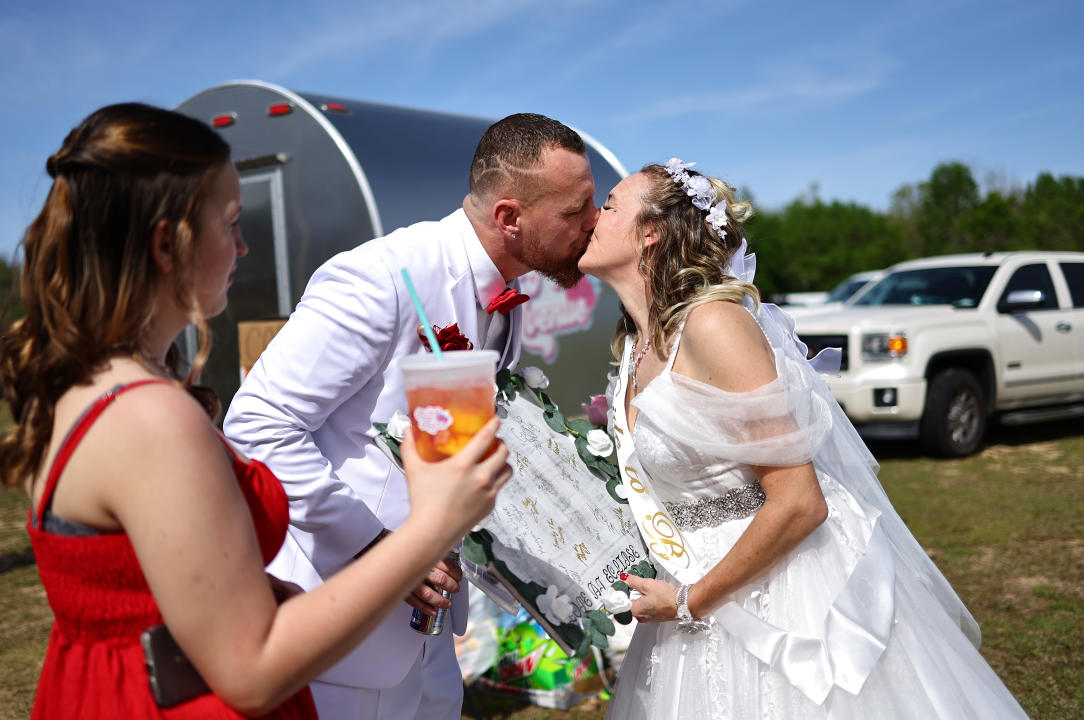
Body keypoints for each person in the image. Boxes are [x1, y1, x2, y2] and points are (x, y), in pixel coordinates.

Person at [0, 103, 511, 719]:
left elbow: (143, 588)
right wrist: (430, 526)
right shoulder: (149, 417)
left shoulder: (85, 387)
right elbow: (250, 670)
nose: (243, 245)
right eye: (232, 222)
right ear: (169, 243)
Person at [577, 159, 1029, 718]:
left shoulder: (715, 325)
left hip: (784, 588)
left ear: (652, 232)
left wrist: (693, 601)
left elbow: (799, 501)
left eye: (611, 203)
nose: (594, 215)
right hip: (688, 586)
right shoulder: (634, 349)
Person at [223, 112, 599, 720]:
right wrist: (381, 551)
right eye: (576, 211)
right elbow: (256, 426)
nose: (593, 224)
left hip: (431, 632)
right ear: (509, 218)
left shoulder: (507, 298)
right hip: (340, 624)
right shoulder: (381, 278)